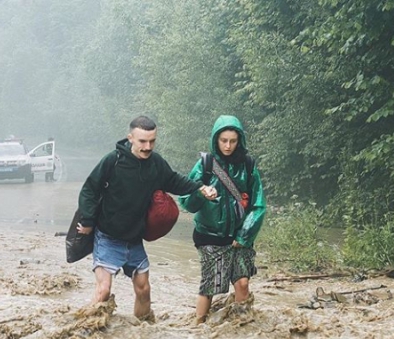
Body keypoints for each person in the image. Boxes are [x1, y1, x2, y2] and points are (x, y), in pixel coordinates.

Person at [76, 116, 211, 321]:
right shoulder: (113, 161)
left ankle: (142, 332)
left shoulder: (155, 163)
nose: (148, 147)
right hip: (108, 237)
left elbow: (174, 180)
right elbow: (89, 190)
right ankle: (83, 331)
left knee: (144, 290)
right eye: (142, 141)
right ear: (130, 138)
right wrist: (86, 221)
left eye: (152, 141)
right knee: (103, 291)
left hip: (134, 239)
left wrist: (199, 187)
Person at [178, 115, 266, 323]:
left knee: (242, 283)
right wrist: (200, 192)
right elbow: (186, 202)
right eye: (223, 140)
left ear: (240, 140)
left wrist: (244, 235)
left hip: (240, 235)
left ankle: (242, 326)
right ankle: (197, 328)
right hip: (209, 235)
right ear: (216, 140)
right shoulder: (205, 165)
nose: (228, 146)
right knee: (209, 286)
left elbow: (258, 204)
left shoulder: (248, 166)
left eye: (233, 141)